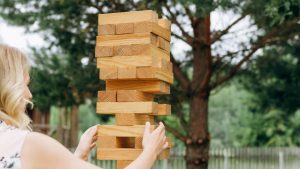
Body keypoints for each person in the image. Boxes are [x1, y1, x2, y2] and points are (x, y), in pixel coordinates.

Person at [0, 44, 168, 169]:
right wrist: (151, 151)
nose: (29, 94)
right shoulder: (28, 144)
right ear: (7, 86)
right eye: (24, 84)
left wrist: (77, 157)